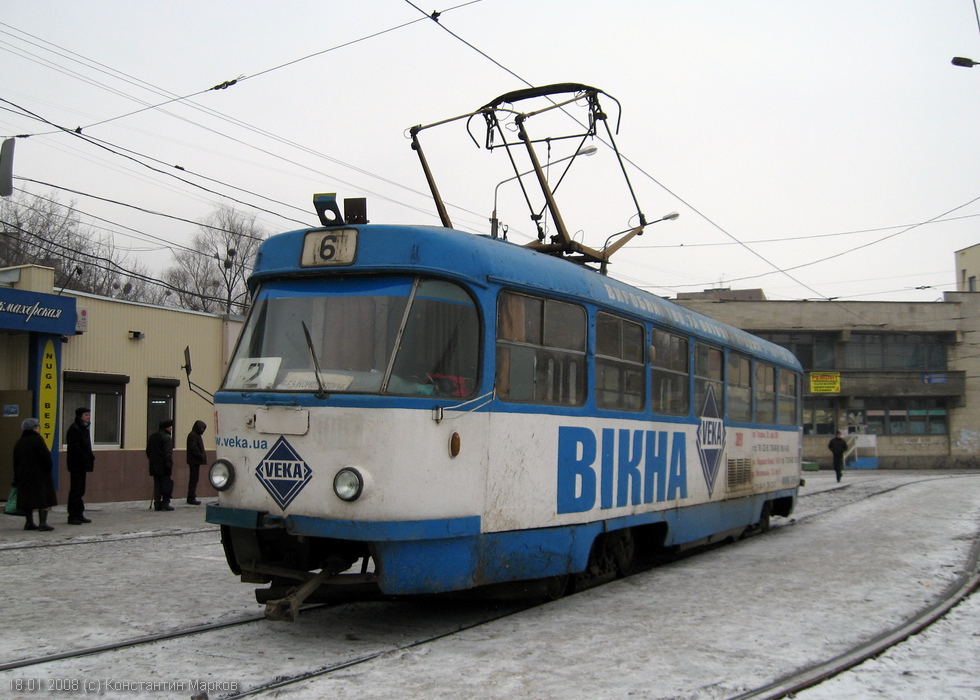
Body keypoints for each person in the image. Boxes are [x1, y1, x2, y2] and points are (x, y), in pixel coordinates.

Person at [13, 418, 58, 531]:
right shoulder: (38, 440)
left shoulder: (20, 441)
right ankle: (43, 523)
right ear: (34, 428)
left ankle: (29, 522)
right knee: (44, 498)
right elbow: (46, 458)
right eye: (38, 427)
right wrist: (48, 469)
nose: (39, 429)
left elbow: (16, 461)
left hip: (24, 475)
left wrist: (17, 476)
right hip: (40, 475)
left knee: (27, 499)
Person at [65, 406, 95, 525]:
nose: (88, 417)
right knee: (76, 489)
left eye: (88, 415)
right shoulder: (75, 428)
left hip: (82, 463)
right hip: (76, 464)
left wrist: (90, 456)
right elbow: (75, 447)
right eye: (86, 415)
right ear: (80, 416)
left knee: (80, 489)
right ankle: (73, 515)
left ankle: (79, 513)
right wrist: (84, 456)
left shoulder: (83, 428)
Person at [146, 419, 175, 511]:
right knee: (168, 484)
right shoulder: (166, 438)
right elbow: (168, 453)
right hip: (164, 466)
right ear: (167, 427)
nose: (171, 429)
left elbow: (148, 451)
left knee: (157, 485)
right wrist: (169, 464)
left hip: (154, 465)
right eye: (170, 427)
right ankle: (165, 503)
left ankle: (157, 504)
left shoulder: (152, 436)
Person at [185, 420, 208, 505]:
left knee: (194, 479)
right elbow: (193, 448)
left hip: (195, 460)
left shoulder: (195, 435)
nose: (202, 430)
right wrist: (201, 455)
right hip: (194, 460)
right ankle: (191, 497)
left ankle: (192, 496)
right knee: (194, 479)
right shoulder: (193, 436)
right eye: (201, 428)